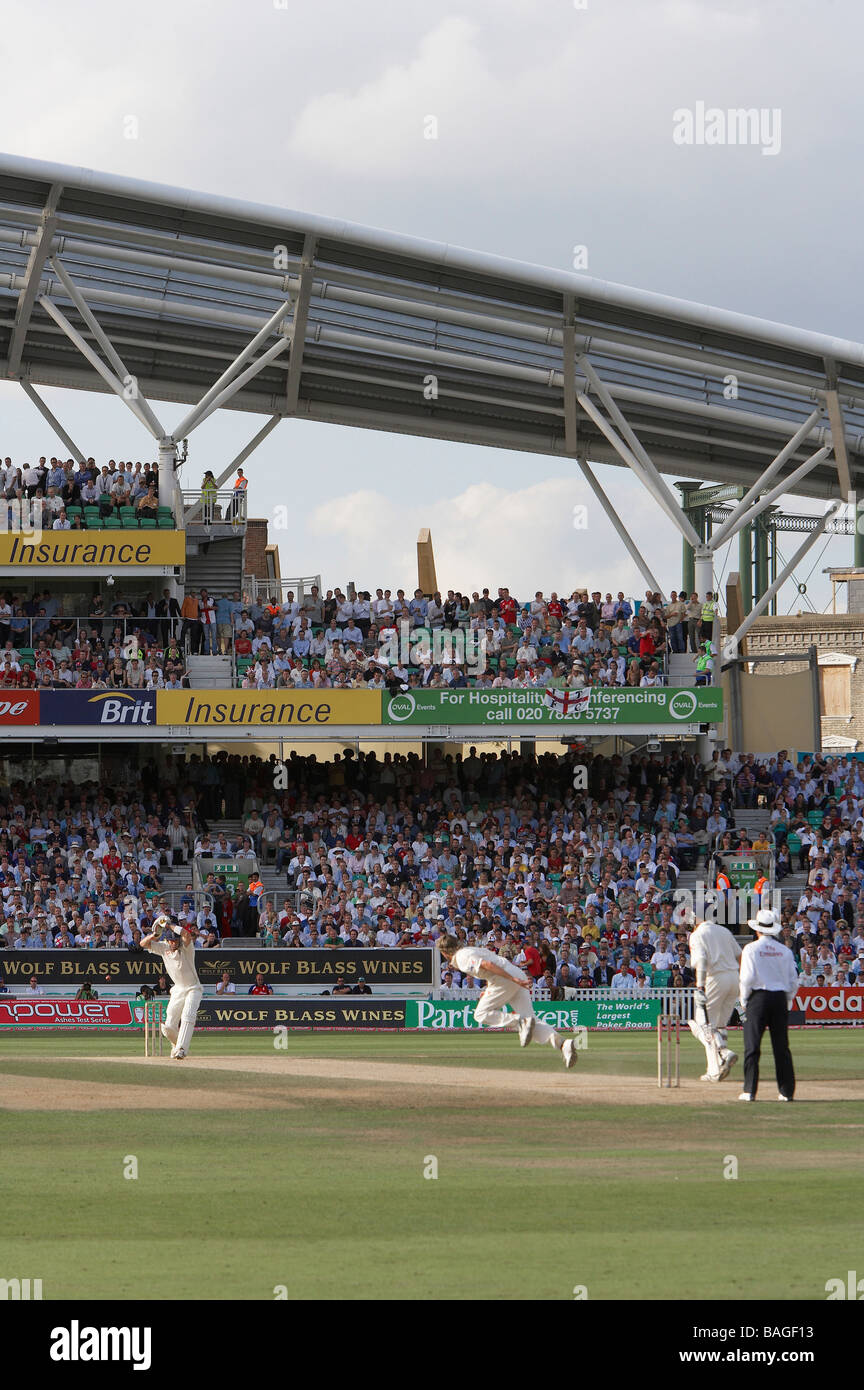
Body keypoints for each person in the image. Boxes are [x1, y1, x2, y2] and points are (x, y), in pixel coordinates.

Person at [438, 933, 578, 1068]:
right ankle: (563, 1044)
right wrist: (492, 987)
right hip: (513, 973)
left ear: (445, 953)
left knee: (480, 1014)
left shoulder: (462, 957)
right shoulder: (469, 950)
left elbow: (487, 965)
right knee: (531, 1020)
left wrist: (512, 979)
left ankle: (520, 1021)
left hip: (505, 978)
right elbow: (491, 966)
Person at [738, 908, 799, 1102]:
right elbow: (792, 982)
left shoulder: (751, 949)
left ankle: (749, 1090)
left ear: (757, 930)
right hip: (779, 998)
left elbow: (746, 978)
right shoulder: (785, 951)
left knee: (752, 1045)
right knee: (781, 1047)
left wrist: (744, 1000)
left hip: (758, 998)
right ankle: (786, 1091)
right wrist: (786, 1000)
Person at [140, 913, 203, 1060]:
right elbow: (143, 944)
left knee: (188, 1015)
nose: (174, 943)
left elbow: (186, 934)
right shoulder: (163, 947)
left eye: (175, 940)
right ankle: (176, 1045)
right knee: (167, 1027)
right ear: (167, 940)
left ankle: (181, 1049)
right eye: (171, 941)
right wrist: (155, 934)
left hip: (193, 987)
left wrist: (169, 926)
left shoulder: (186, 947)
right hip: (178, 989)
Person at [687, 915, 742, 1082]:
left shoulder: (697, 935)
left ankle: (718, 1063)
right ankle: (720, 1059)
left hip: (715, 978)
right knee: (719, 1025)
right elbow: (740, 956)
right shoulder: (724, 931)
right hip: (734, 978)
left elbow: (702, 960)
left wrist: (700, 986)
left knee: (702, 1023)